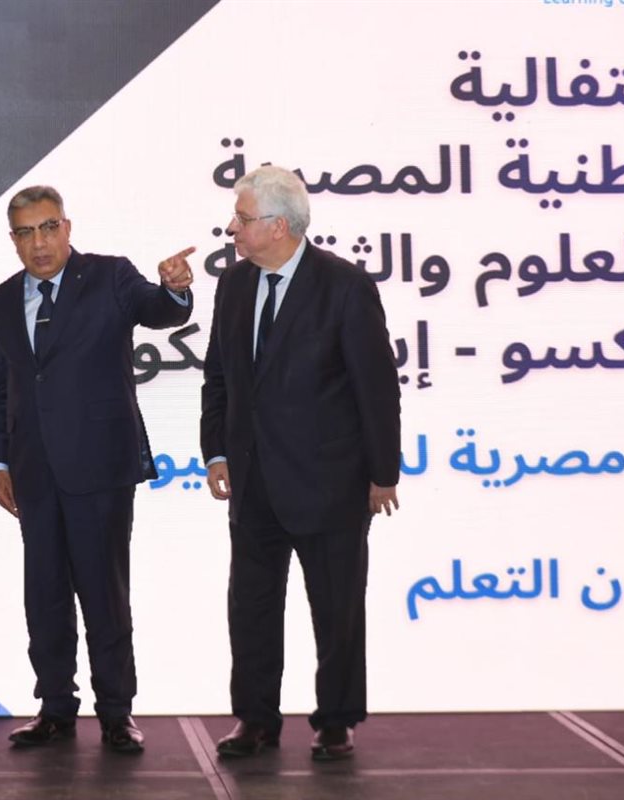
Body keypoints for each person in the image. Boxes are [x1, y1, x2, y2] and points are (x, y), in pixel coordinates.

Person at [0, 185, 194, 753]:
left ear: (67, 228)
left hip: (100, 466)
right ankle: (54, 708)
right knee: (44, 595)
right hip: (32, 473)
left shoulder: (110, 276)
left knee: (104, 594)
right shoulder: (2, 299)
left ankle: (117, 712)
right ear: (13, 240)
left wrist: (175, 289)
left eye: (49, 227)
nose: (39, 242)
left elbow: (158, 310)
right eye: (26, 232)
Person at [200, 166, 401, 760]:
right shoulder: (233, 285)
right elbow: (219, 376)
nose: (231, 228)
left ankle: (336, 720)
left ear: (278, 226)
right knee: (251, 609)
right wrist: (216, 450)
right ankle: (255, 719)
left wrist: (382, 473)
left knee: (336, 609)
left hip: (330, 482)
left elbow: (376, 387)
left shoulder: (344, 286)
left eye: (242, 218)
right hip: (253, 482)